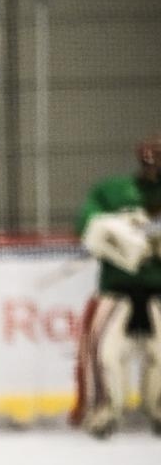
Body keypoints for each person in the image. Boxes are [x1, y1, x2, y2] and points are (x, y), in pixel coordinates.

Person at [73, 132, 161, 438]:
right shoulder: (112, 192)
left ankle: (158, 410)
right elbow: (87, 224)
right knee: (104, 352)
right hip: (118, 290)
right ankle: (104, 410)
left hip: (158, 291)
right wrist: (120, 232)